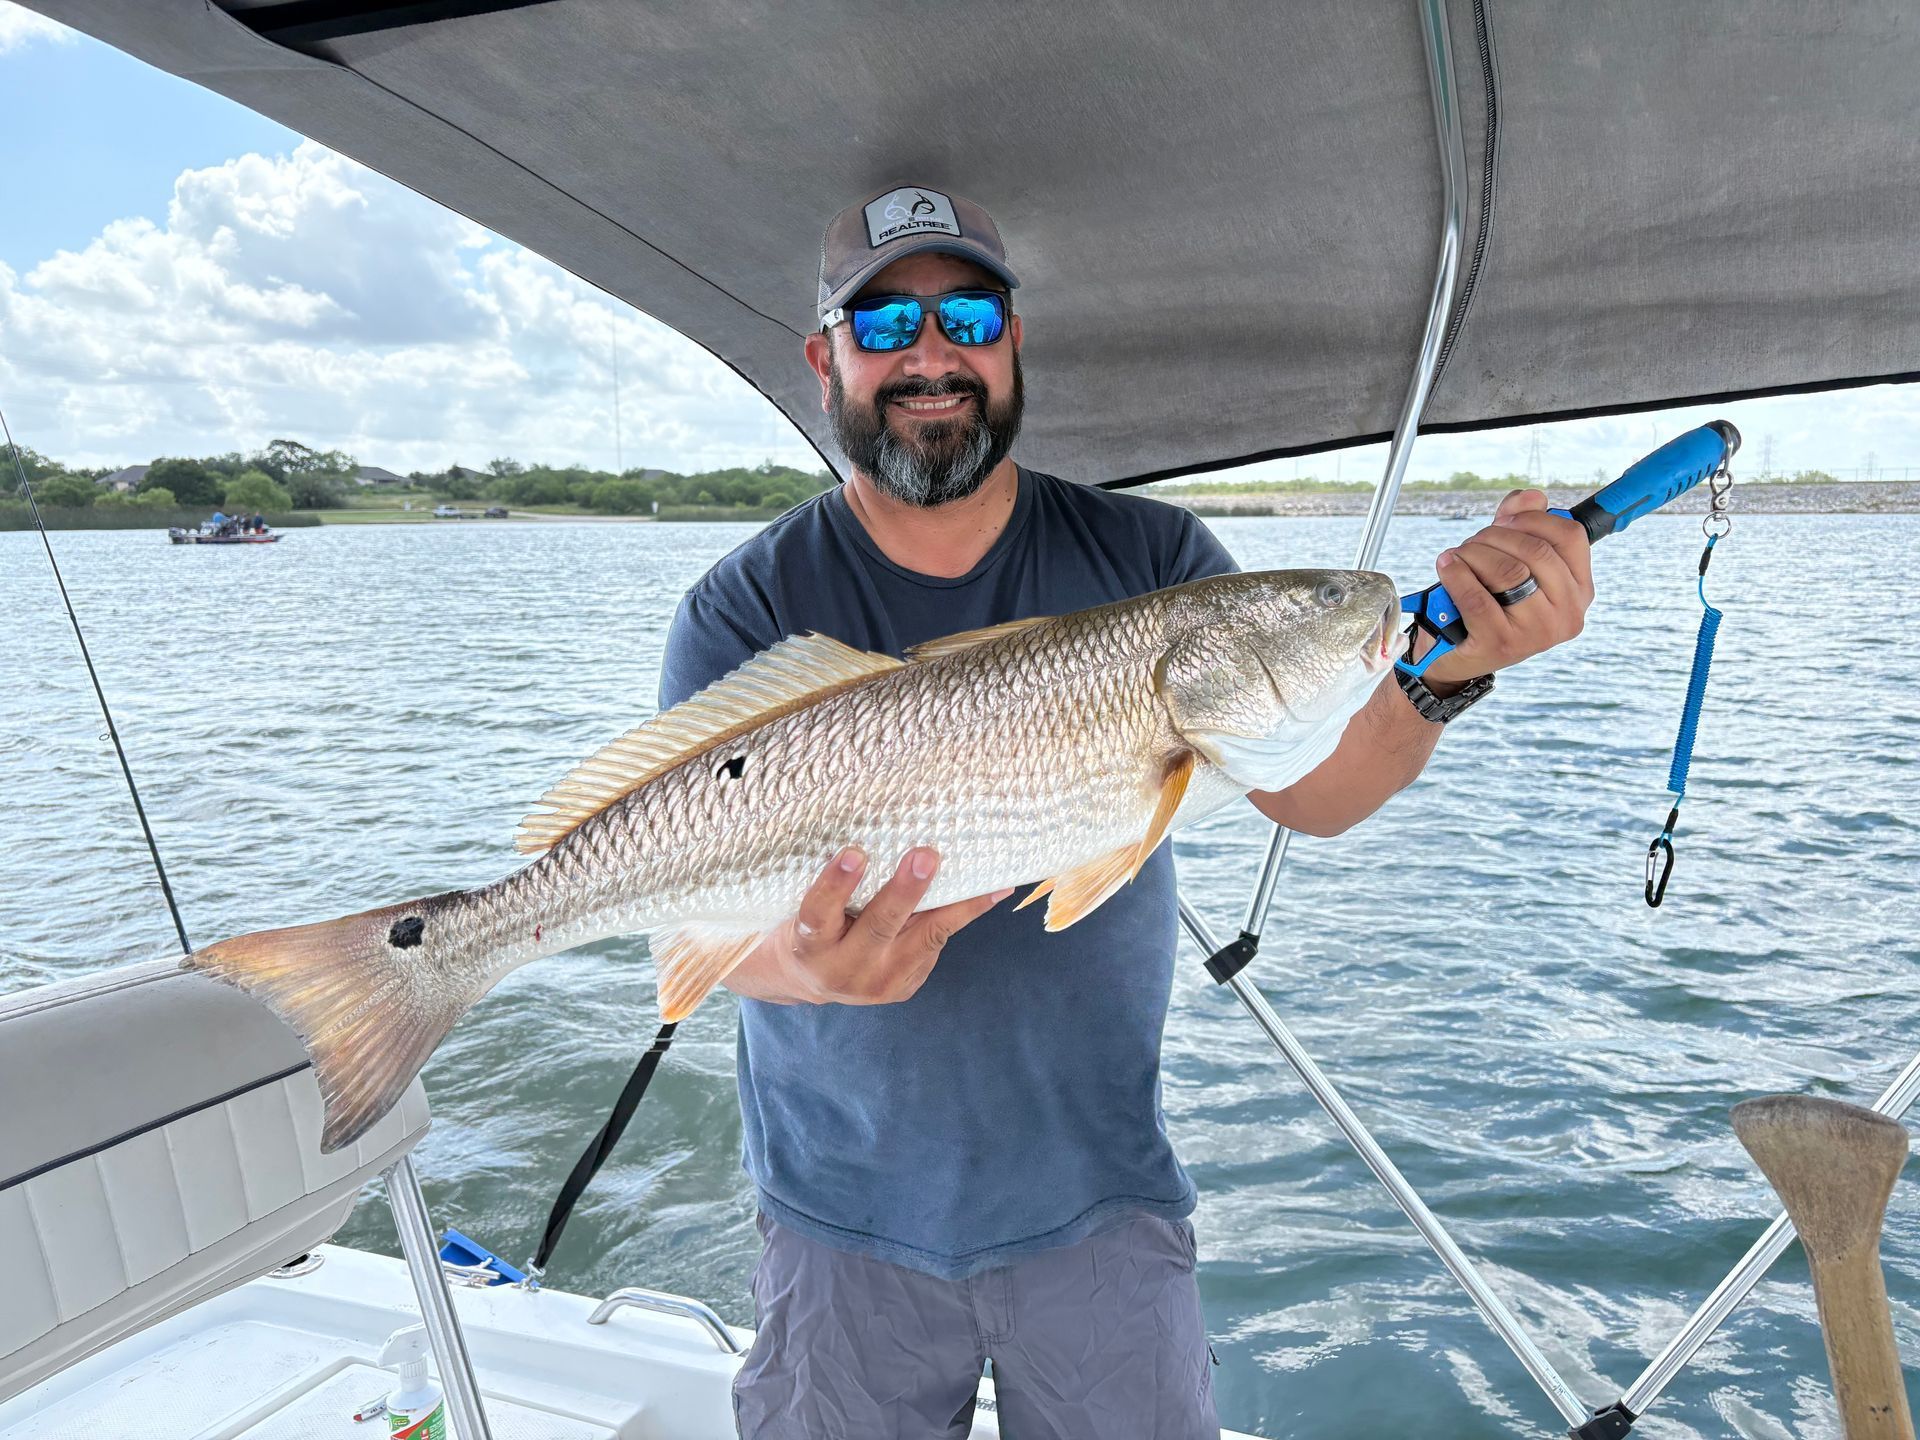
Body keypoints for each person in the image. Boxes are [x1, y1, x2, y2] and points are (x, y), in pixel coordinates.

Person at [657, 185, 1593, 1439]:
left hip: (1100, 1201)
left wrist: (1444, 671)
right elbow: (690, 918)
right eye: (883, 324)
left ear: (1012, 342)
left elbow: (1313, 791)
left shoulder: (1154, 562)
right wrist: (810, 971)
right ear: (825, 362)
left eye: (967, 316)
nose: (931, 355)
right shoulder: (744, 605)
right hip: (841, 1221)